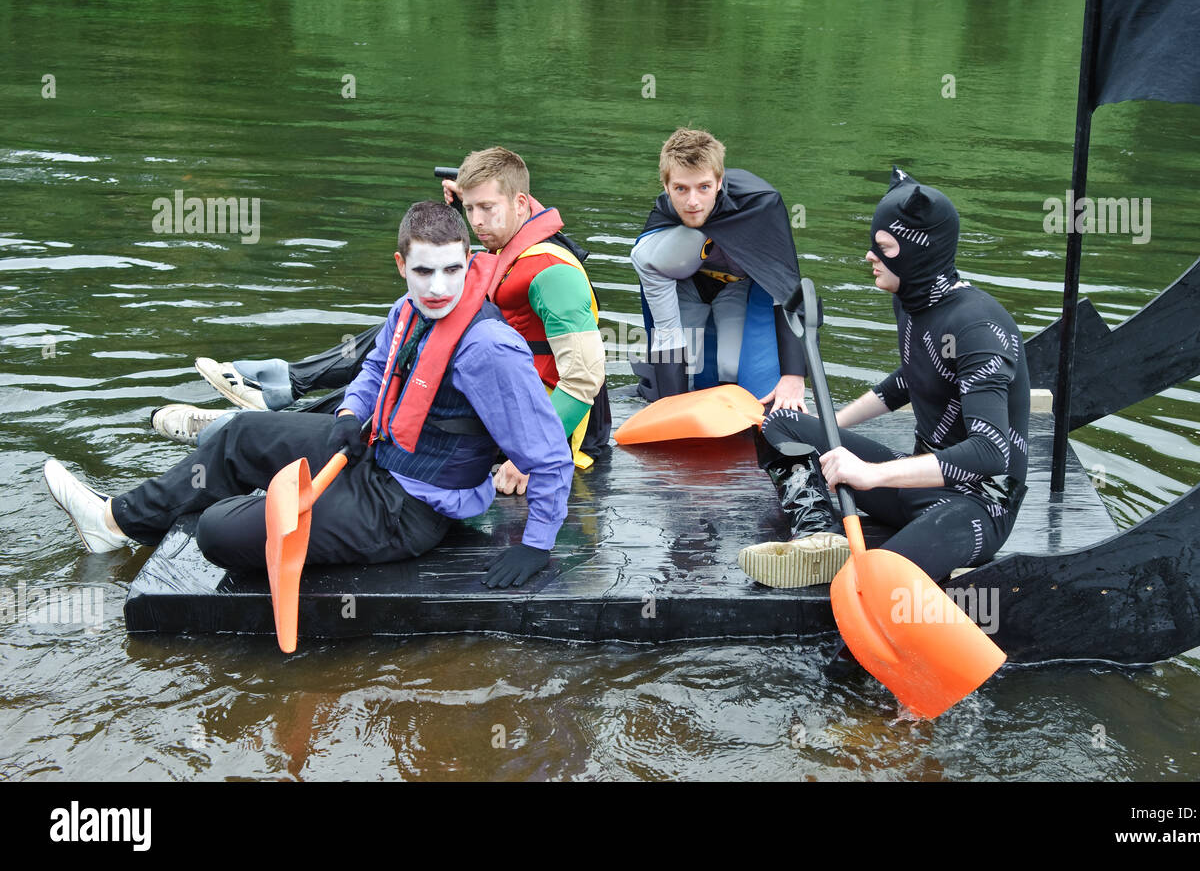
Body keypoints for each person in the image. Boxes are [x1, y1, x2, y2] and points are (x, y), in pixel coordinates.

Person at [44, 201, 574, 589]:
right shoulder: (408, 309)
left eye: (453, 270)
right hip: (373, 454)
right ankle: (113, 523)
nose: (439, 287)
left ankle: (259, 513)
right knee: (240, 436)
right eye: (423, 271)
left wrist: (536, 545)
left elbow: (549, 456)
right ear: (400, 265)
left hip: (409, 508)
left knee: (216, 531)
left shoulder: (489, 350)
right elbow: (374, 369)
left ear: (468, 260)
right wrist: (349, 413)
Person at [155, 147, 610, 496]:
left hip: (542, 426)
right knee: (406, 343)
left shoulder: (554, 274)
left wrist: (530, 456)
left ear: (521, 204)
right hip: (495, 399)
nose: (476, 221)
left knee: (402, 408)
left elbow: (585, 378)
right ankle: (256, 421)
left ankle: (239, 431)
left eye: (486, 208)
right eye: (469, 210)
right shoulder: (507, 246)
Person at [738, 167, 1030, 590]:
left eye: (884, 247)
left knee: (878, 579)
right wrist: (833, 428)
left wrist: (869, 474)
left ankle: (863, 573)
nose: (870, 256)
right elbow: (911, 378)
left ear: (917, 253)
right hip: (915, 484)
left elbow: (990, 452)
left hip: (976, 506)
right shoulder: (910, 298)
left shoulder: (978, 327)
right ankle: (818, 533)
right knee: (779, 421)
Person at [630, 127, 807, 411]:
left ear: (719, 182)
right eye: (680, 189)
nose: (692, 202)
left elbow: (787, 289)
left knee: (737, 374)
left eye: (703, 187)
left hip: (740, 288)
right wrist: (668, 410)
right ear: (666, 187)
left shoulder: (761, 204)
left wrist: (794, 375)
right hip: (687, 287)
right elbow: (667, 330)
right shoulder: (659, 227)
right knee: (679, 379)